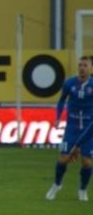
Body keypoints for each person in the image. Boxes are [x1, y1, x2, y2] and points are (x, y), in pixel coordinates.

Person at [46, 55, 93, 202]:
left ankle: (82, 189)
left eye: (85, 65)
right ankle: (57, 184)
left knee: (86, 162)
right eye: (80, 65)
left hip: (88, 128)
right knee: (63, 159)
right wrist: (58, 117)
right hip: (72, 127)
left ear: (91, 69)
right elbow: (61, 100)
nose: (82, 68)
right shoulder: (69, 83)